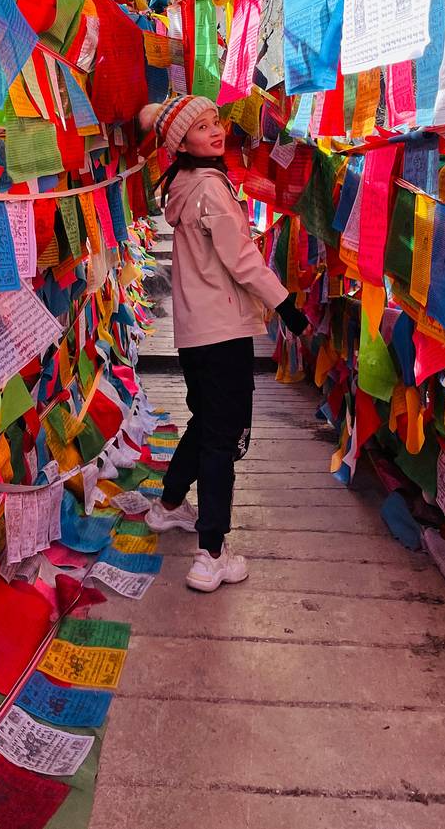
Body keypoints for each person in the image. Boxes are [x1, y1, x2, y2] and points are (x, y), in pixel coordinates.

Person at [140, 95, 308, 593]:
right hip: (223, 330)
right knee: (221, 436)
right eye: (201, 127)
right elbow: (244, 261)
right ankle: (211, 553)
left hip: (197, 332)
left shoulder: (184, 184)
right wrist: (285, 305)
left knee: (208, 421)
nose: (215, 131)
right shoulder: (211, 189)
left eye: (216, 122)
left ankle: (169, 504)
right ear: (181, 143)